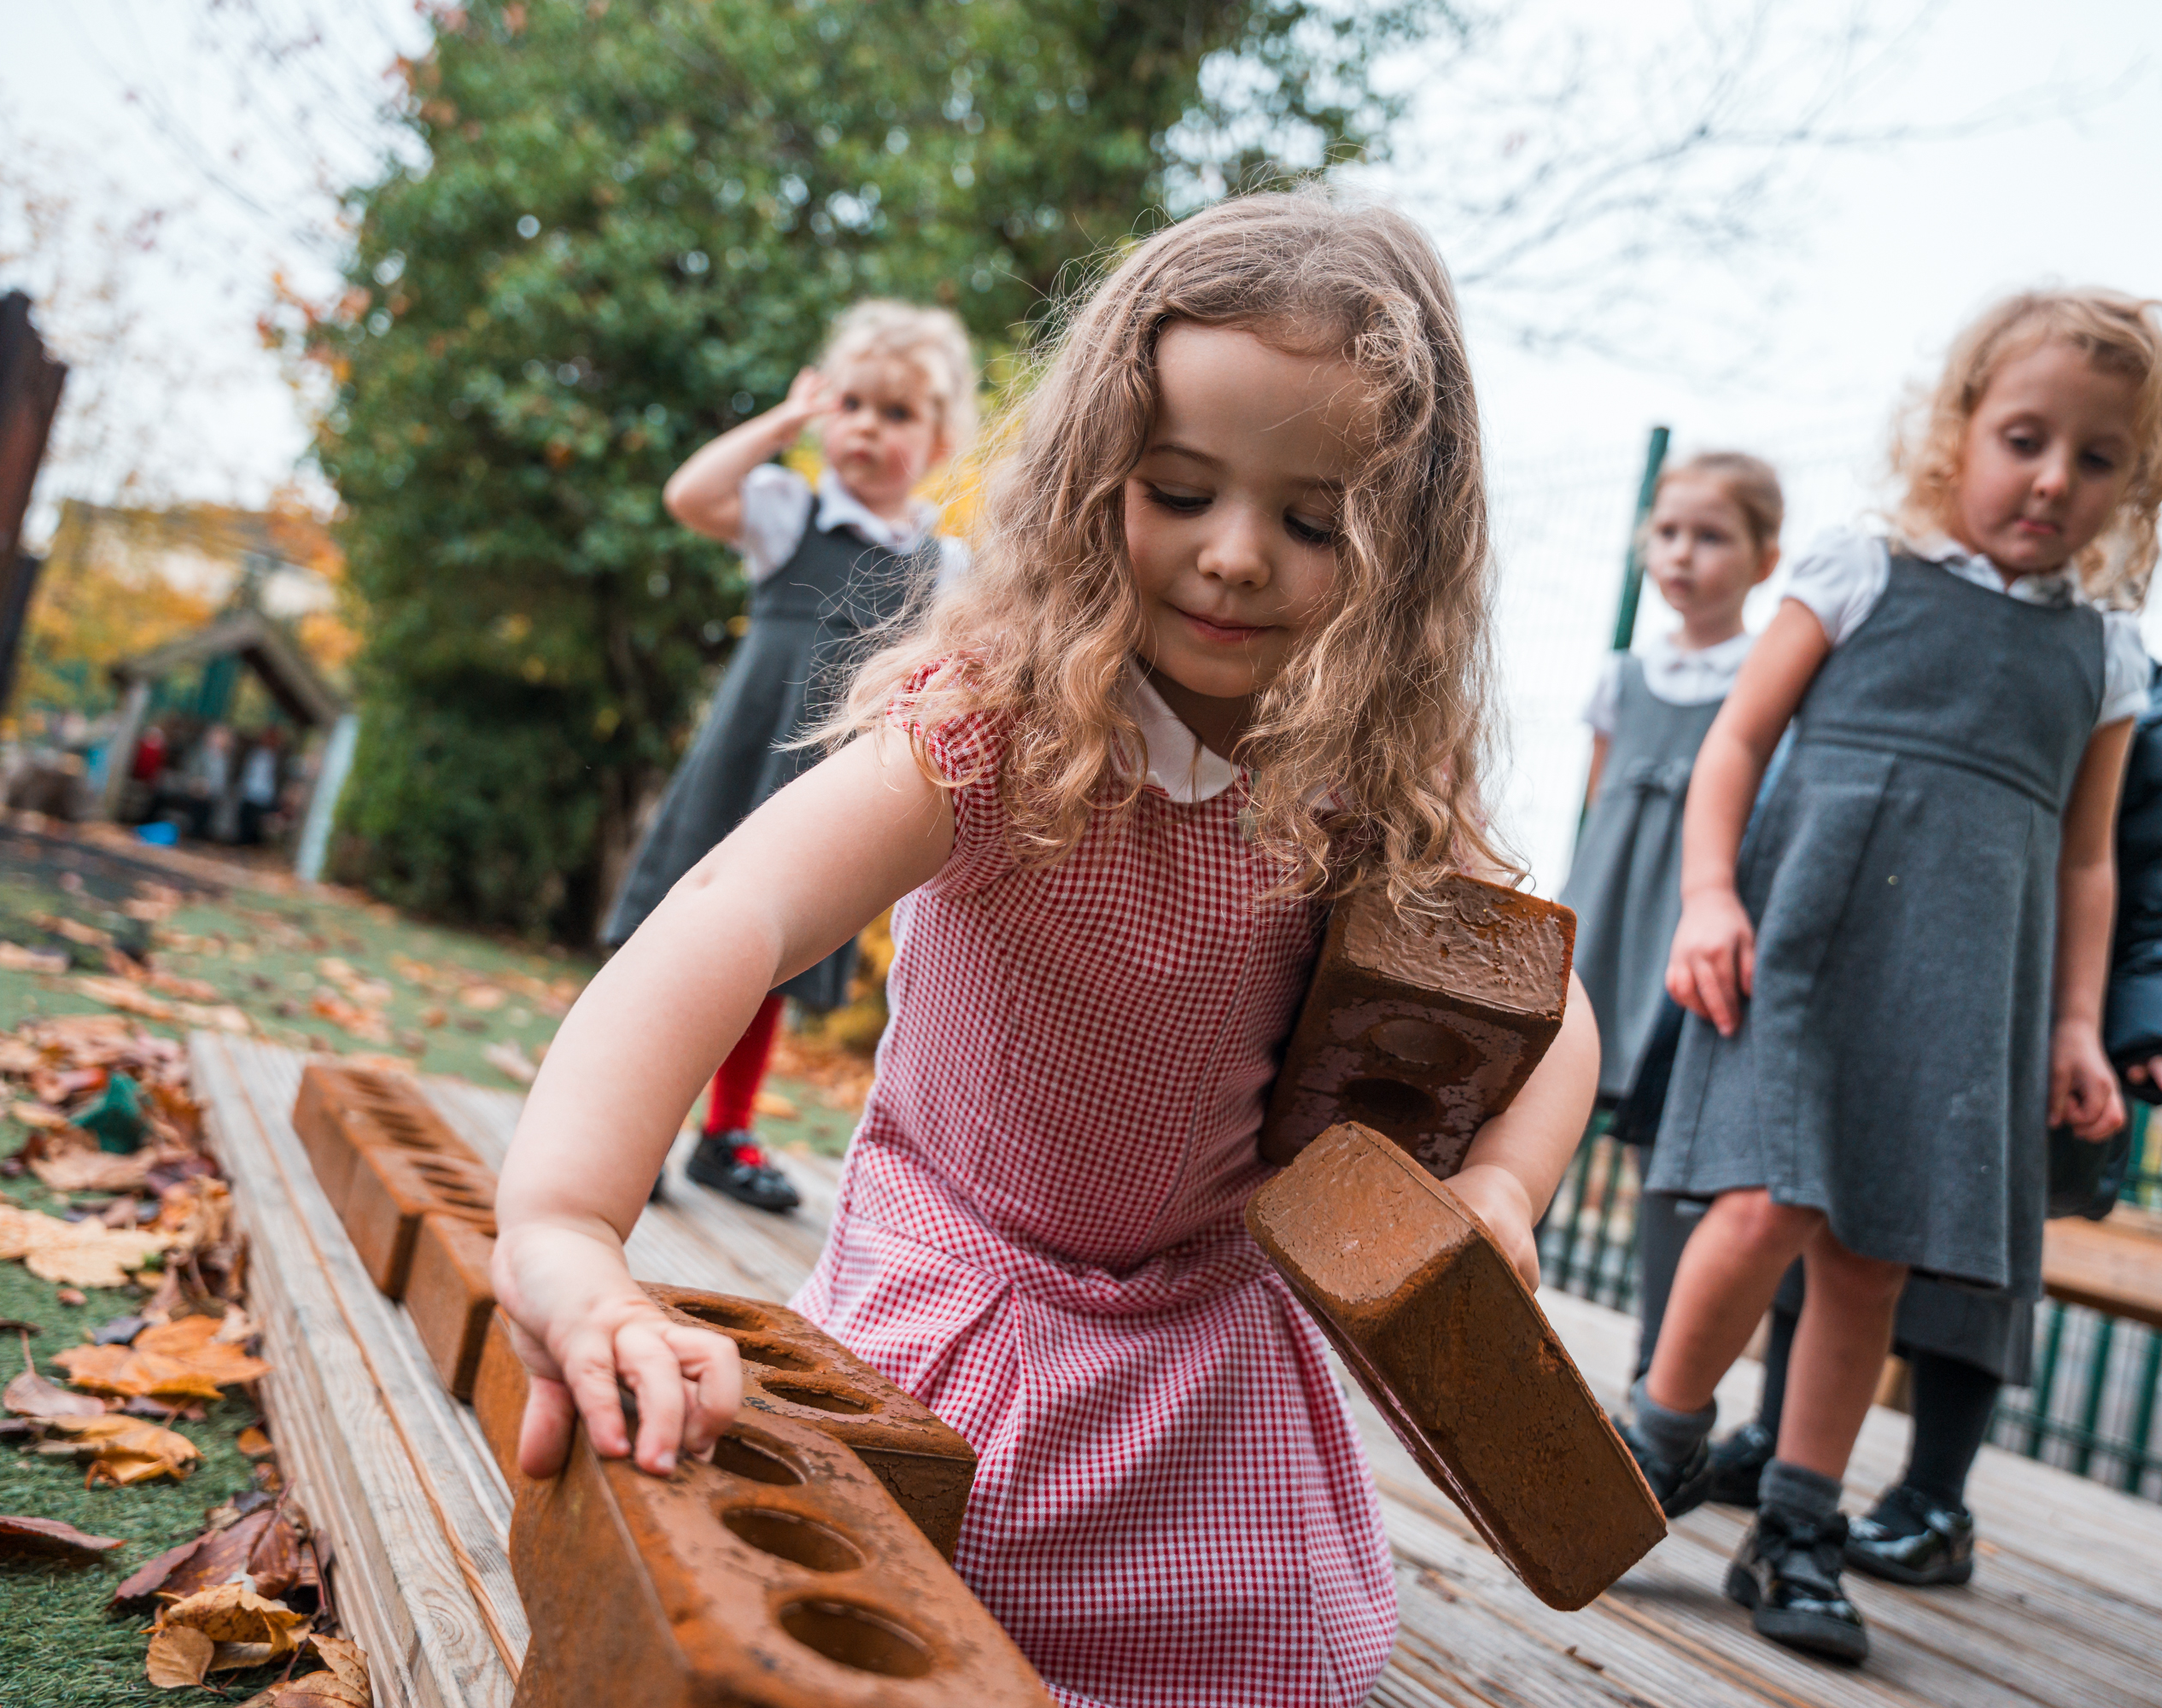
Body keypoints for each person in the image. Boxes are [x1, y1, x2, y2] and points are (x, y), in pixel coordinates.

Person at [491, 190, 1601, 1708]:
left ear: (1403, 551)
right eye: (1181, 489)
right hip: (964, 1297)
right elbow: (726, 917)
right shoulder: (998, 726)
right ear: (1095, 476)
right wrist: (562, 1226)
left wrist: (1498, 1187)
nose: (1232, 557)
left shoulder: (1372, 781)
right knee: (873, 1618)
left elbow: (1554, 1011)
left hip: (1206, 1353)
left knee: (1283, 1658)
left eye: (1310, 520)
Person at [1622, 289, 2162, 1664]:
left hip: (1960, 982)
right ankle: (1656, 1439)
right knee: (1766, 1203)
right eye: (2024, 436)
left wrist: (2075, 1023)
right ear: (1956, 431)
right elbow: (1736, 745)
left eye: (2101, 456)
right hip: (1805, 941)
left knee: (1874, 1251)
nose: (2056, 478)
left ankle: (1802, 1524)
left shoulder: (2106, 650)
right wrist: (1708, 894)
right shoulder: (1858, 569)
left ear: (2140, 479)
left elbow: (2084, 863)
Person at [1683, 658, 2162, 1582]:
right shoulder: (1954, 642)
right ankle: (1783, 1437)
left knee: (1973, 1246)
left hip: (2039, 1006)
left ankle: (1936, 1493)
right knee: (1821, 1211)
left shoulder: (2140, 705)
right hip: (1905, 971)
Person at [603, 299, 977, 1213]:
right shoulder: (789, 512)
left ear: (937, 440)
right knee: (676, 935)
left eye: (896, 414)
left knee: (767, 948)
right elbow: (689, 494)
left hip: (825, 786)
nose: (866, 428)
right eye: (850, 404)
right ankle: (630, 1128)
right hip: (742, 760)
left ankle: (724, 1135)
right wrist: (782, 421)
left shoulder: (945, 566)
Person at [1557, 451, 1782, 1378]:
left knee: (1666, 1144)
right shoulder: (1623, 677)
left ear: (1765, 558)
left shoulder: (1765, 675)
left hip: (1684, 937)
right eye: (1668, 533)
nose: (1683, 554)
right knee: (1540, 1107)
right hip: (1606, 920)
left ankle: (1662, 1372)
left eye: (1713, 535)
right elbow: (1600, 802)